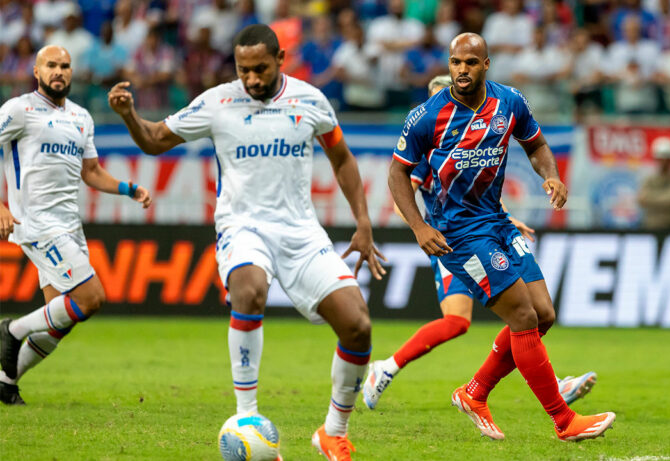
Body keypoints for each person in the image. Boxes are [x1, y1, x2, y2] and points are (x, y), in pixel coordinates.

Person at [107, 24, 385, 461]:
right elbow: (155, 140)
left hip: (300, 232)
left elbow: (343, 158)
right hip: (242, 228)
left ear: (280, 58)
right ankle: (246, 418)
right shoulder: (218, 101)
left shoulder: (311, 100)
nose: (251, 79)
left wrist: (363, 222)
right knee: (250, 291)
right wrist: (127, 115)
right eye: (243, 70)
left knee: (358, 326)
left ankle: (332, 432)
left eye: (260, 69)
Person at [388, 33, 615, 442]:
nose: (461, 70)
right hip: (458, 234)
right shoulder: (427, 115)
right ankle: (564, 421)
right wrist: (420, 227)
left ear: (486, 64)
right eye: (456, 62)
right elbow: (397, 173)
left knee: (543, 314)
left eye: (470, 63)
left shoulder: (509, 102)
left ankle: (474, 393)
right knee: (523, 317)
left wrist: (552, 176)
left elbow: (537, 144)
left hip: (497, 222)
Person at [0, 45, 152, 405]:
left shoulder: (82, 117)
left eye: (65, 66)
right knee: (91, 297)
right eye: (51, 65)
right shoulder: (18, 110)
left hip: (70, 224)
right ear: (36, 72)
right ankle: (11, 329)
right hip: (37, 223)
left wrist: (129, 189)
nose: (59, 71)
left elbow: (92, 172)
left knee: (61, 321)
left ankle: (5, 381)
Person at [637, 136, 670, 230]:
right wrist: (664, 197)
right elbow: (642, 199)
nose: (663, 162)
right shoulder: (648, 180)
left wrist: (652, 198)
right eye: (660, 158)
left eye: (666, 159)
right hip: (650, 227)